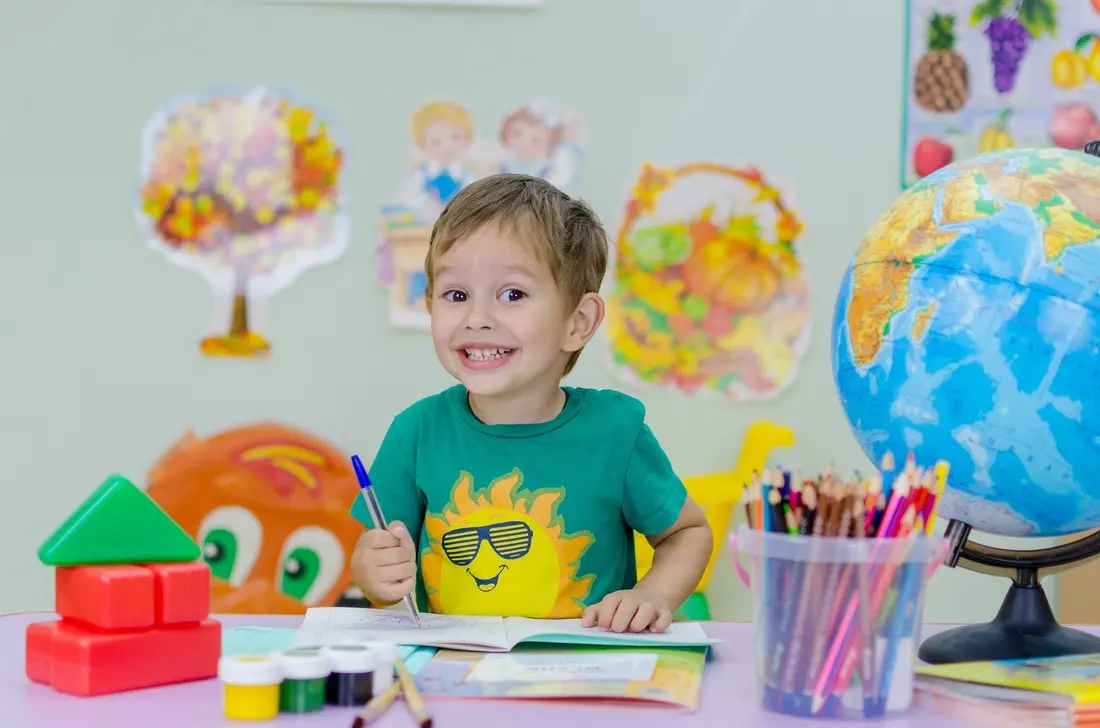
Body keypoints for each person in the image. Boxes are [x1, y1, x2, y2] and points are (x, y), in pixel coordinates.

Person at [350, 174, 712, 633]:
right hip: (454, 677)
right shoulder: (416, 432)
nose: (477, 318)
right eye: (456, 295)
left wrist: (652, 594)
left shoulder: (615, 432)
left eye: (513, 295)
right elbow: (372, 559)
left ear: (578, 322)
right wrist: (376, 574)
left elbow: (687, 533)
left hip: (580, 681)